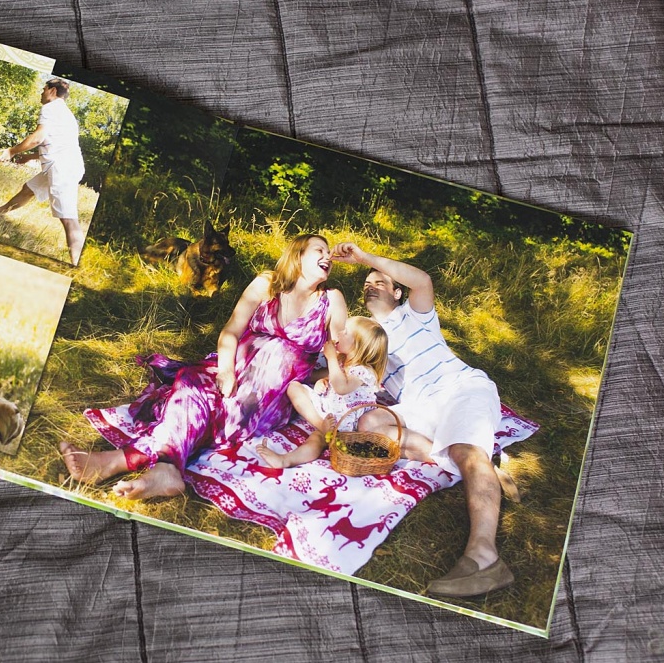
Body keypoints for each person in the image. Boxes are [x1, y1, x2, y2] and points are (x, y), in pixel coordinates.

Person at [62, 234, 352, 499]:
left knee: (219, 410)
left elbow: (342, 356)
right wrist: (225, 371)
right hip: (232, 368)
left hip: (265, 397)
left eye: (328, 252)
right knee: (190, 383)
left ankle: (117, 461)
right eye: (319, 250)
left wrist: (314, 378)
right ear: (297, 255)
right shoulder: (267, 284)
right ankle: (163, 469)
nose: (327, 256)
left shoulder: (331, 300)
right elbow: (231, 331)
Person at [330, 240, 513, 598]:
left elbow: (423, 280)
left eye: (380, 281)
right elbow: (337, 366)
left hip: (459, 388)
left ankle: (485, 557)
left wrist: (365, 259)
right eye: (366, 283)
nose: (371, 285)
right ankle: (480, 471)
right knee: (368, 426)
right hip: (417, 405)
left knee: (465, 449)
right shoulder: (366, 334)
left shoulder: (415, 314)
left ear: (397, 292)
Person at [255, 316, 387, 469]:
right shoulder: (342, 362)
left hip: (346, 421)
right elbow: (330, 379)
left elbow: (341, 387)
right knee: (294, 388)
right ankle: (290, 456)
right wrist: (322, 382)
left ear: (357, 346)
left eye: (345, 332)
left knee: (316, 440)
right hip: (329, 414)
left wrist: (331, 358)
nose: (340, 333)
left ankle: (290, 457)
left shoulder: (363, 371)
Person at [0, 78, 86, 265]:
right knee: (29, 189)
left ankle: (78, 263)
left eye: (44, 89)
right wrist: (30, 157)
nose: (41, 93)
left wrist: (11, 151)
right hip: (65, 165)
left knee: (68, 219)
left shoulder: (50, 108)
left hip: (62, 169)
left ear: (52, 91)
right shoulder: (66, 114)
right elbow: (57, 145)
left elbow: (38, 138)